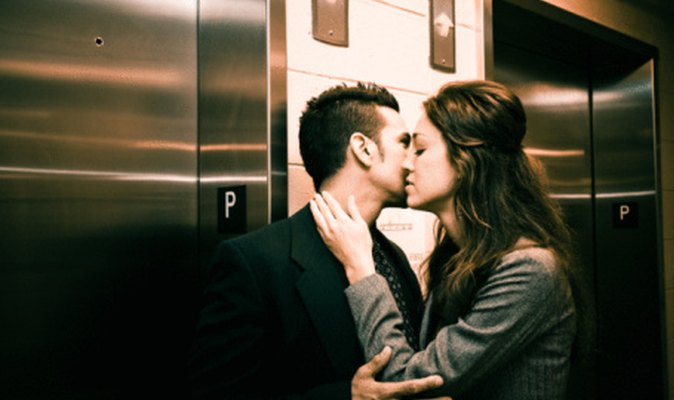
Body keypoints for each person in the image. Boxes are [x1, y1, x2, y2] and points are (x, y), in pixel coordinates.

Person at [311, 80, 592, 399]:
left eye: (420, 149)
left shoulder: (531, 269)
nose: (407, 163)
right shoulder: (457, 257)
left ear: (467, 159)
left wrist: (362, 270)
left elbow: (407, 379)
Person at [187, 82, 446, 399]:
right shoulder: (257, 260)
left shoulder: (393, 256)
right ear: (363, 149)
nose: (412, 160)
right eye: (404, 143)